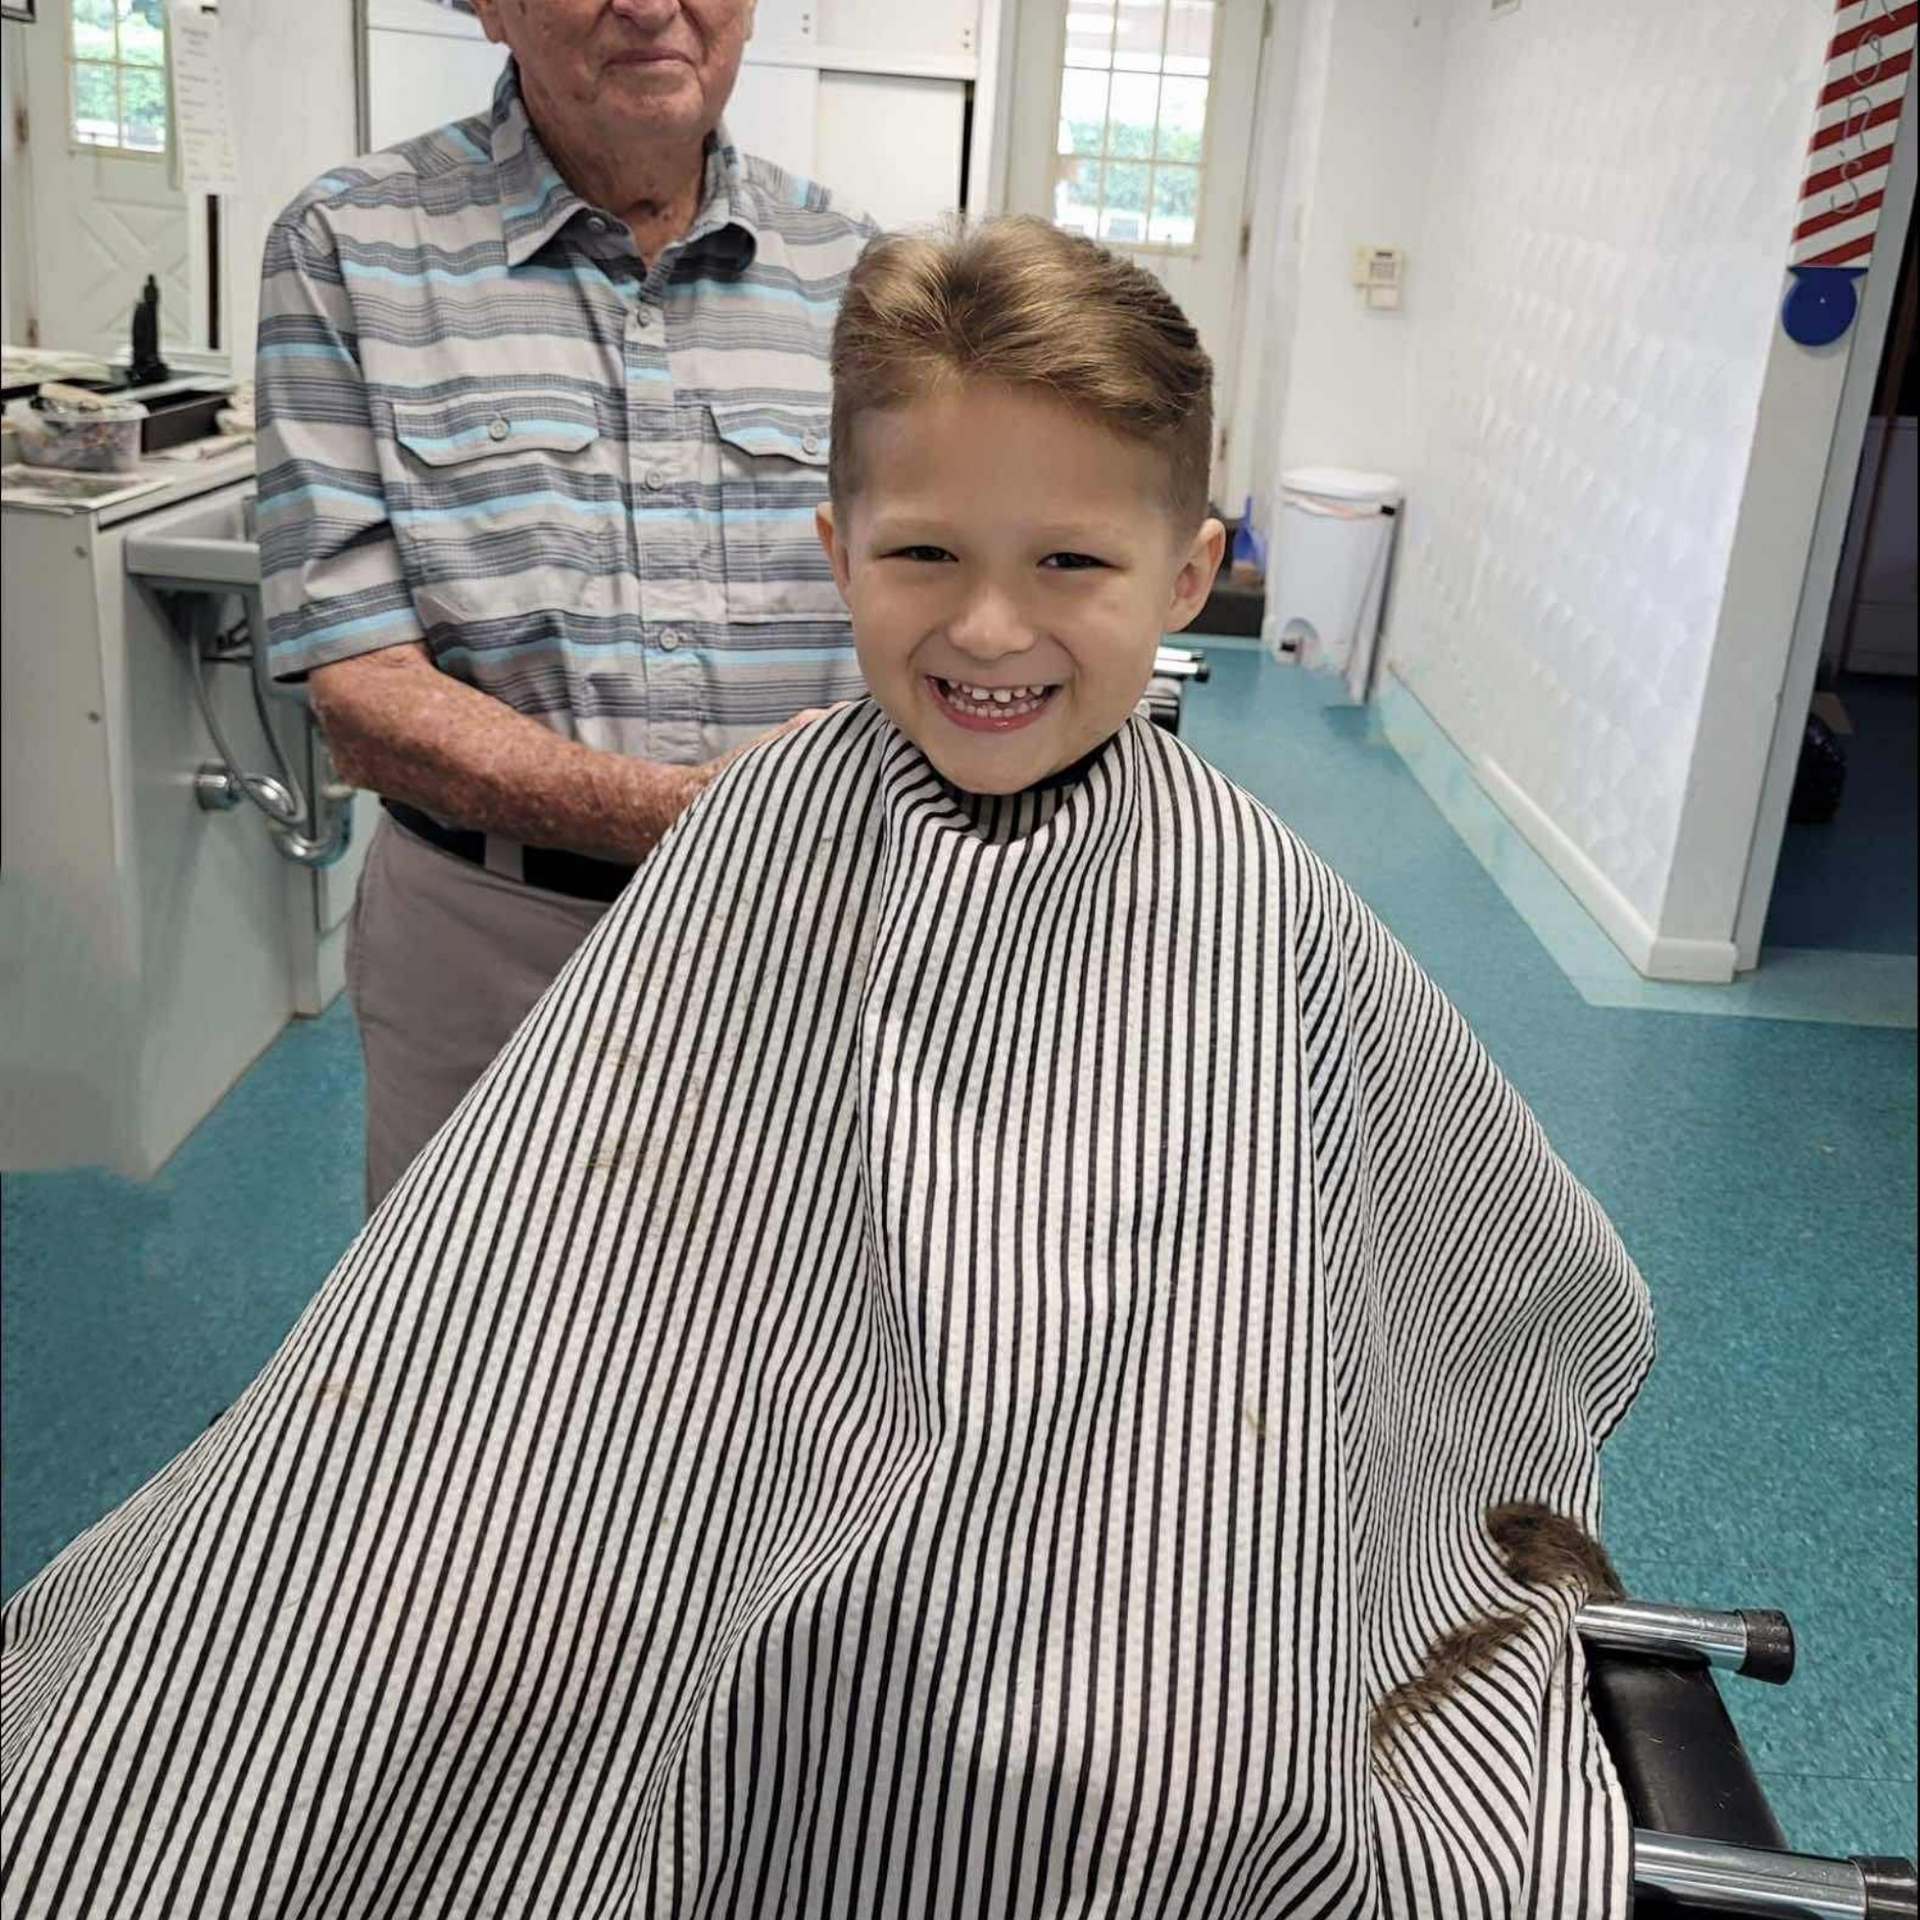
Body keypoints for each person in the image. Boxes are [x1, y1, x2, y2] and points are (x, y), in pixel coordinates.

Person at [1, 219, 1654, 1916]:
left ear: (1186, 576)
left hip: (1118, 1502)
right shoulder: (755, 845)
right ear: (835, 547)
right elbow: (542, 1263)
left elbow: (1481, 1243)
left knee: (1176, 1785)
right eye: (923, 554)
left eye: (1072, 566)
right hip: (722, 1452)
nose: (991, 629)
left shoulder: (1254, 901)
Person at [257, 0, 874, 1210]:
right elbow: (365, 694)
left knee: (789, 1340)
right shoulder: (350, 246)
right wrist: (691, 819)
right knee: (478, 1344)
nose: (650, 4)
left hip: (810, 945)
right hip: (494, 952)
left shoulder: (865, 273)